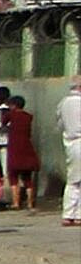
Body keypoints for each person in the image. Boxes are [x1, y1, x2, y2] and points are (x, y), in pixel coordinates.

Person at [0, 89, 41, 210]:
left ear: (13, 105)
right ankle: (30, 203)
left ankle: (16, 202)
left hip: (14, 147)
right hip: (27, 147)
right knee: (27, 178)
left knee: (13, 176)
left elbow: (2, 124)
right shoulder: (28, 117)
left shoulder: (11, 115)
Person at [60, 80, 81, 226]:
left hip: (70, 142)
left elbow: (60, 123)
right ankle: (78, 214)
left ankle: (69, 214)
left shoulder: (63, 103)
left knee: (73, 179)